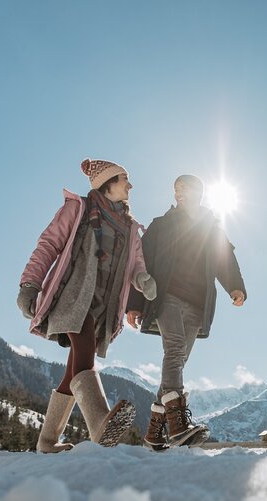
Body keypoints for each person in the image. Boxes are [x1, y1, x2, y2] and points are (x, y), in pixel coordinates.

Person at [18, 159, 157, 453]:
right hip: (71, 295)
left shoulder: (130, 228)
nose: (130, 186)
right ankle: (100, 424)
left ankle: (46, 441)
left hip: (102, 307)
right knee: (82, 353)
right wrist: (30, 284)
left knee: (74, 370)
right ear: (107, 183)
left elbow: (137, 265)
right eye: (124, 179)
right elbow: (49, 244)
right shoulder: (78, 209)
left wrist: (143, 280)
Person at [126, 175, 247, 449]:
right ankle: (178, 426)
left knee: (178, 361)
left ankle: (154, 434)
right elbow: (140, 264)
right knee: (175, 348)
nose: (180, 193)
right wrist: (133, 303)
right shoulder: (161, 225)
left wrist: (235, 287)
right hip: (165, 297)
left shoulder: (212, 228)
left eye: (186, 188)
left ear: (199, 193)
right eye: (176, 189)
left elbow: (225, 260)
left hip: (197, 303)